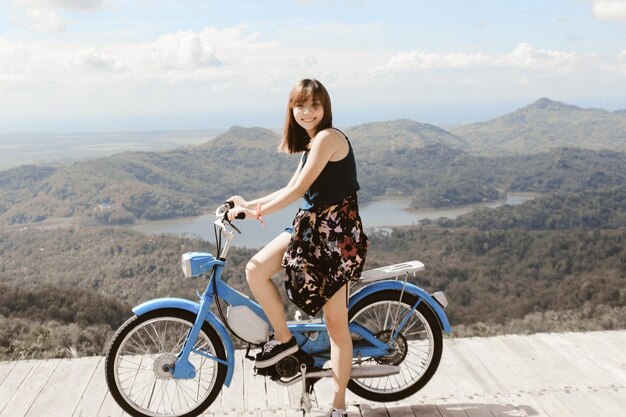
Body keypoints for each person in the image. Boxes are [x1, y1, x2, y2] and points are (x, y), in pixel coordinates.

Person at [227, 78, 368, 417]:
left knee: (336, 323)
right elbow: (290, 187)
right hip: (309, 229)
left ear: (325, 108)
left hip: (336, 237)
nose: (307, 112)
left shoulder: (328, 138)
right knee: (256, 269)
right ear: (291, 109)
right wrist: (249, 203)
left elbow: (295, 192)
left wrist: (255, 211)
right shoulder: (310, 144)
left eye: (314, 105)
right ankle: (285, 339)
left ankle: (338, 406)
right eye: (300, 105)